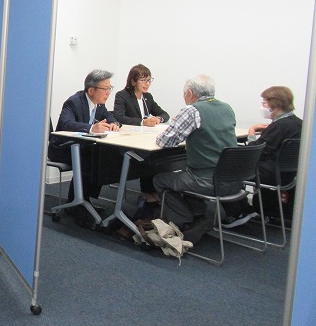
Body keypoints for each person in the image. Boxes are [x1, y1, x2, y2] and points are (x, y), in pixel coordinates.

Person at [152, 74, 237, 242]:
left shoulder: (192, 110)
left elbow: (165, 141)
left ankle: (184, 218)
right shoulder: (227, 108)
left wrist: (177, 124)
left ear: (190, 93)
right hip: (234, 179)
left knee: (160, 180)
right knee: (186, 172)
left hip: (207, 181)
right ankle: (199, 216)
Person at [48, 70, 120, 227]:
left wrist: (114, 124)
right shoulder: (73, 102)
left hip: (81, 148)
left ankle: (83, 201)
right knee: (91, 158)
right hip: (62, 148)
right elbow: (66, 124)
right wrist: (92, 128)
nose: (108, 93)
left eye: (110, 88)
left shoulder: (99, 105)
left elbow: (111, 117)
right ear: (91, 90)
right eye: (105, 89)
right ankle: (78, 205)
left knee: (99, 156)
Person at [223, 86, 302, 227]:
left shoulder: (279, 126)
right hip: (288, 175)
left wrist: (252, 131)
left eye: (264, 103)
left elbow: (252, 152)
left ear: (275, 104)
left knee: (226, 170)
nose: (262, 106)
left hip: (269, 174)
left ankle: (238, 212)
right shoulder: (298, 123)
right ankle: (247, 209)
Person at [113, 64, 170, 203]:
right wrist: (142, 122)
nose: (147, 84)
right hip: (128, 140)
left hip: (145, 138)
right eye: (143, 80)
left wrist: (158, 119)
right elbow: (119, 117)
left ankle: (152, 190)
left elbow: (165, 114)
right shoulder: (122, 95)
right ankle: (146, 191)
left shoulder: (148, 97)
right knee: (148, 156)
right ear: (133, 82)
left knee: (158, 155)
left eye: (149, 80)